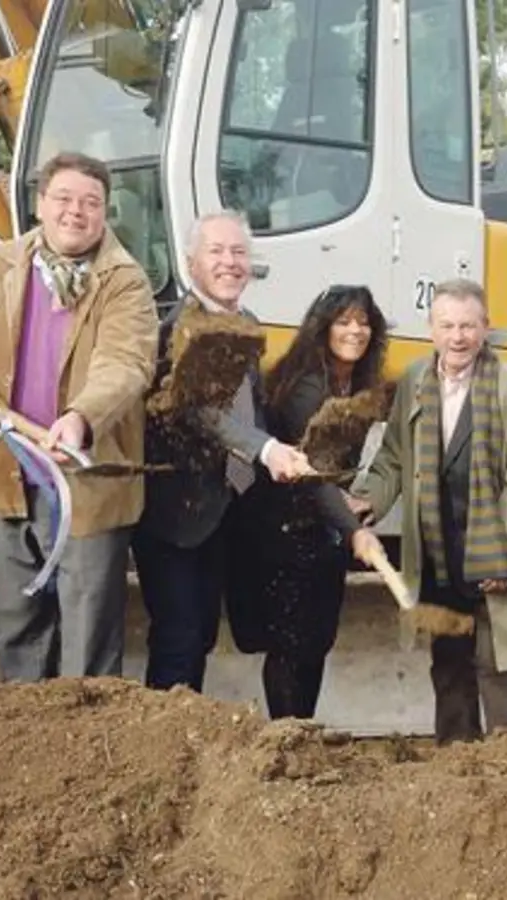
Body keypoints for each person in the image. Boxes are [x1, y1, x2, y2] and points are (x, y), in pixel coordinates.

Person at [0, 151, 159, 682]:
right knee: (16, 628)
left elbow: (125, 363)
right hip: (11, 472)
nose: (76, 212)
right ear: (39, 204)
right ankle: (26, 738)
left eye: (90, 202)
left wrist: (81, 417)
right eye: (64, 199)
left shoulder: (124, 281)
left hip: (85, 477)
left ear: (105, 212)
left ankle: (88, 743)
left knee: (87, 639)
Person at [354, 278, 507, 745]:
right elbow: (394, 456)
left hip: (491, 549)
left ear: (486, 327)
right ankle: (455, 761)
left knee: (496, 662)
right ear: (431, 329)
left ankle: (506, 763)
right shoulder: (415, 381)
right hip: (437, 547)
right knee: (447, 661)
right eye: (447, 325)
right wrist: (369, 498)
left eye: (468, 325)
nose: (457, 337)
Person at [131, 210, 315, 693]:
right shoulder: (177, 329)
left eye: (239, 252)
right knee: (180, 637)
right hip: (176, 514)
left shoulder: (248, 324)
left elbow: (251, 407)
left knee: (204, 636)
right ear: (190, 263)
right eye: (216, 252)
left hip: (226, 511)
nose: (230, 263)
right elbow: (197, 409)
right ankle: (166, 746)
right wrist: (266, 449)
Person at [224, 284, 391, 719]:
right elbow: (311, 471)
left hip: (321, 530)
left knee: (315, 641)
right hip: (283, 530)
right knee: (291, 645)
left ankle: (302, 731)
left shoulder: (354, 382)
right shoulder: (306, 387)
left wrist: (353, 505)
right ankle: (287, 734)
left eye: (363, 322)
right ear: (323, 328)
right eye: (344, 321)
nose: (355, 330)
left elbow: (335, 471)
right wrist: (355, 530)